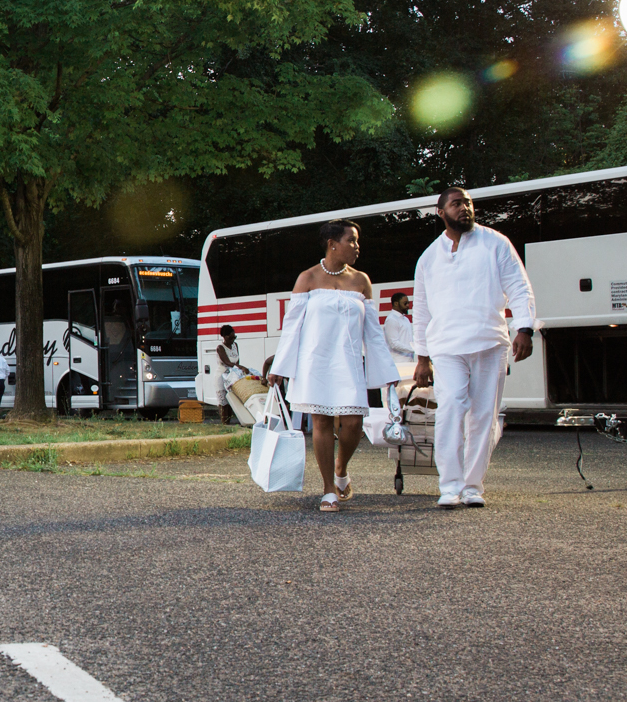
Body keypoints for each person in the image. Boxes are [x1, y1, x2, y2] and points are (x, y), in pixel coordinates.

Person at [413, 186, 537, 510]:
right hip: (446, 346)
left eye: (467, 203)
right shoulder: (428, 258)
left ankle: (472, 487)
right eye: (456, 204)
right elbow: (422, 311)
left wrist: (525, 328)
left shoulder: (495, 243)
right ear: (441, 212)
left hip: (490, 341)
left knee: (484, 416)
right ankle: (450, 486)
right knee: (452, 407)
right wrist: (422, 357)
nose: (464, 208)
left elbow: (519, 288)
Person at [265, 220, 402, 512]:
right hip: (314, 363)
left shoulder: (361, 281)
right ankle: (329, 489)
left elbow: (374, 332)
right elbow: (293, 326)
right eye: (351, 240)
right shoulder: (308, 278)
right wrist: (279, 366)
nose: (357, 247)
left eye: (356, 240)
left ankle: (341, 468)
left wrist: (388, 372)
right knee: (322, 423)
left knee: (353, 423)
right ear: (332, 244)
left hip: (348, 363)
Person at [214, 326, 245, 417]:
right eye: (231, 337)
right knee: (223, 402)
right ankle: (225, 422)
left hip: (232, 375)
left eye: (234, 337)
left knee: (232, 400)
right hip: (222, 376)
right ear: (225, 337)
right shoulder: (220, 347)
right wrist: (240, 367)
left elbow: (237, 360)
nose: (233, 340)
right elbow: (226, 361)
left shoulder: (235, 345)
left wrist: (238, 370)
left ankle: (229, 420)